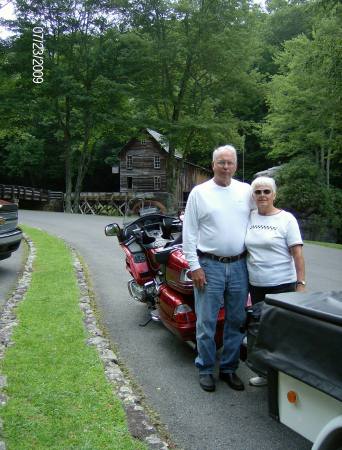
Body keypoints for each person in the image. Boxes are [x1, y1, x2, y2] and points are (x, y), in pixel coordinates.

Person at [182, 144, 253, 392]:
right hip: (209, 266)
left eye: (230, 162)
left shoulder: (246, 191)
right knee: (207, 322)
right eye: (221, 162)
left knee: (237, 320)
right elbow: (189, 233)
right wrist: (194, 266)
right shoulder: (199, 193)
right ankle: (205, 368)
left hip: (239, 266)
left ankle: (229, 368)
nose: (225, 167)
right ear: (213, 165)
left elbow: (261, 219)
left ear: (235, 165)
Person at [245, 176, 305, 387]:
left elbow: (297, 253)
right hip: (256, 284)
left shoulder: (286, 219)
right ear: (253, 196)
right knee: (261, 330)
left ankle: (285, 375)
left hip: (282, 284)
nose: (262, 195)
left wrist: (300, 283)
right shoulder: (250, 217)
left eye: (266, 191)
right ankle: (264, 373)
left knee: (282, 330)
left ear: (274, 195)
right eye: (258, 192)